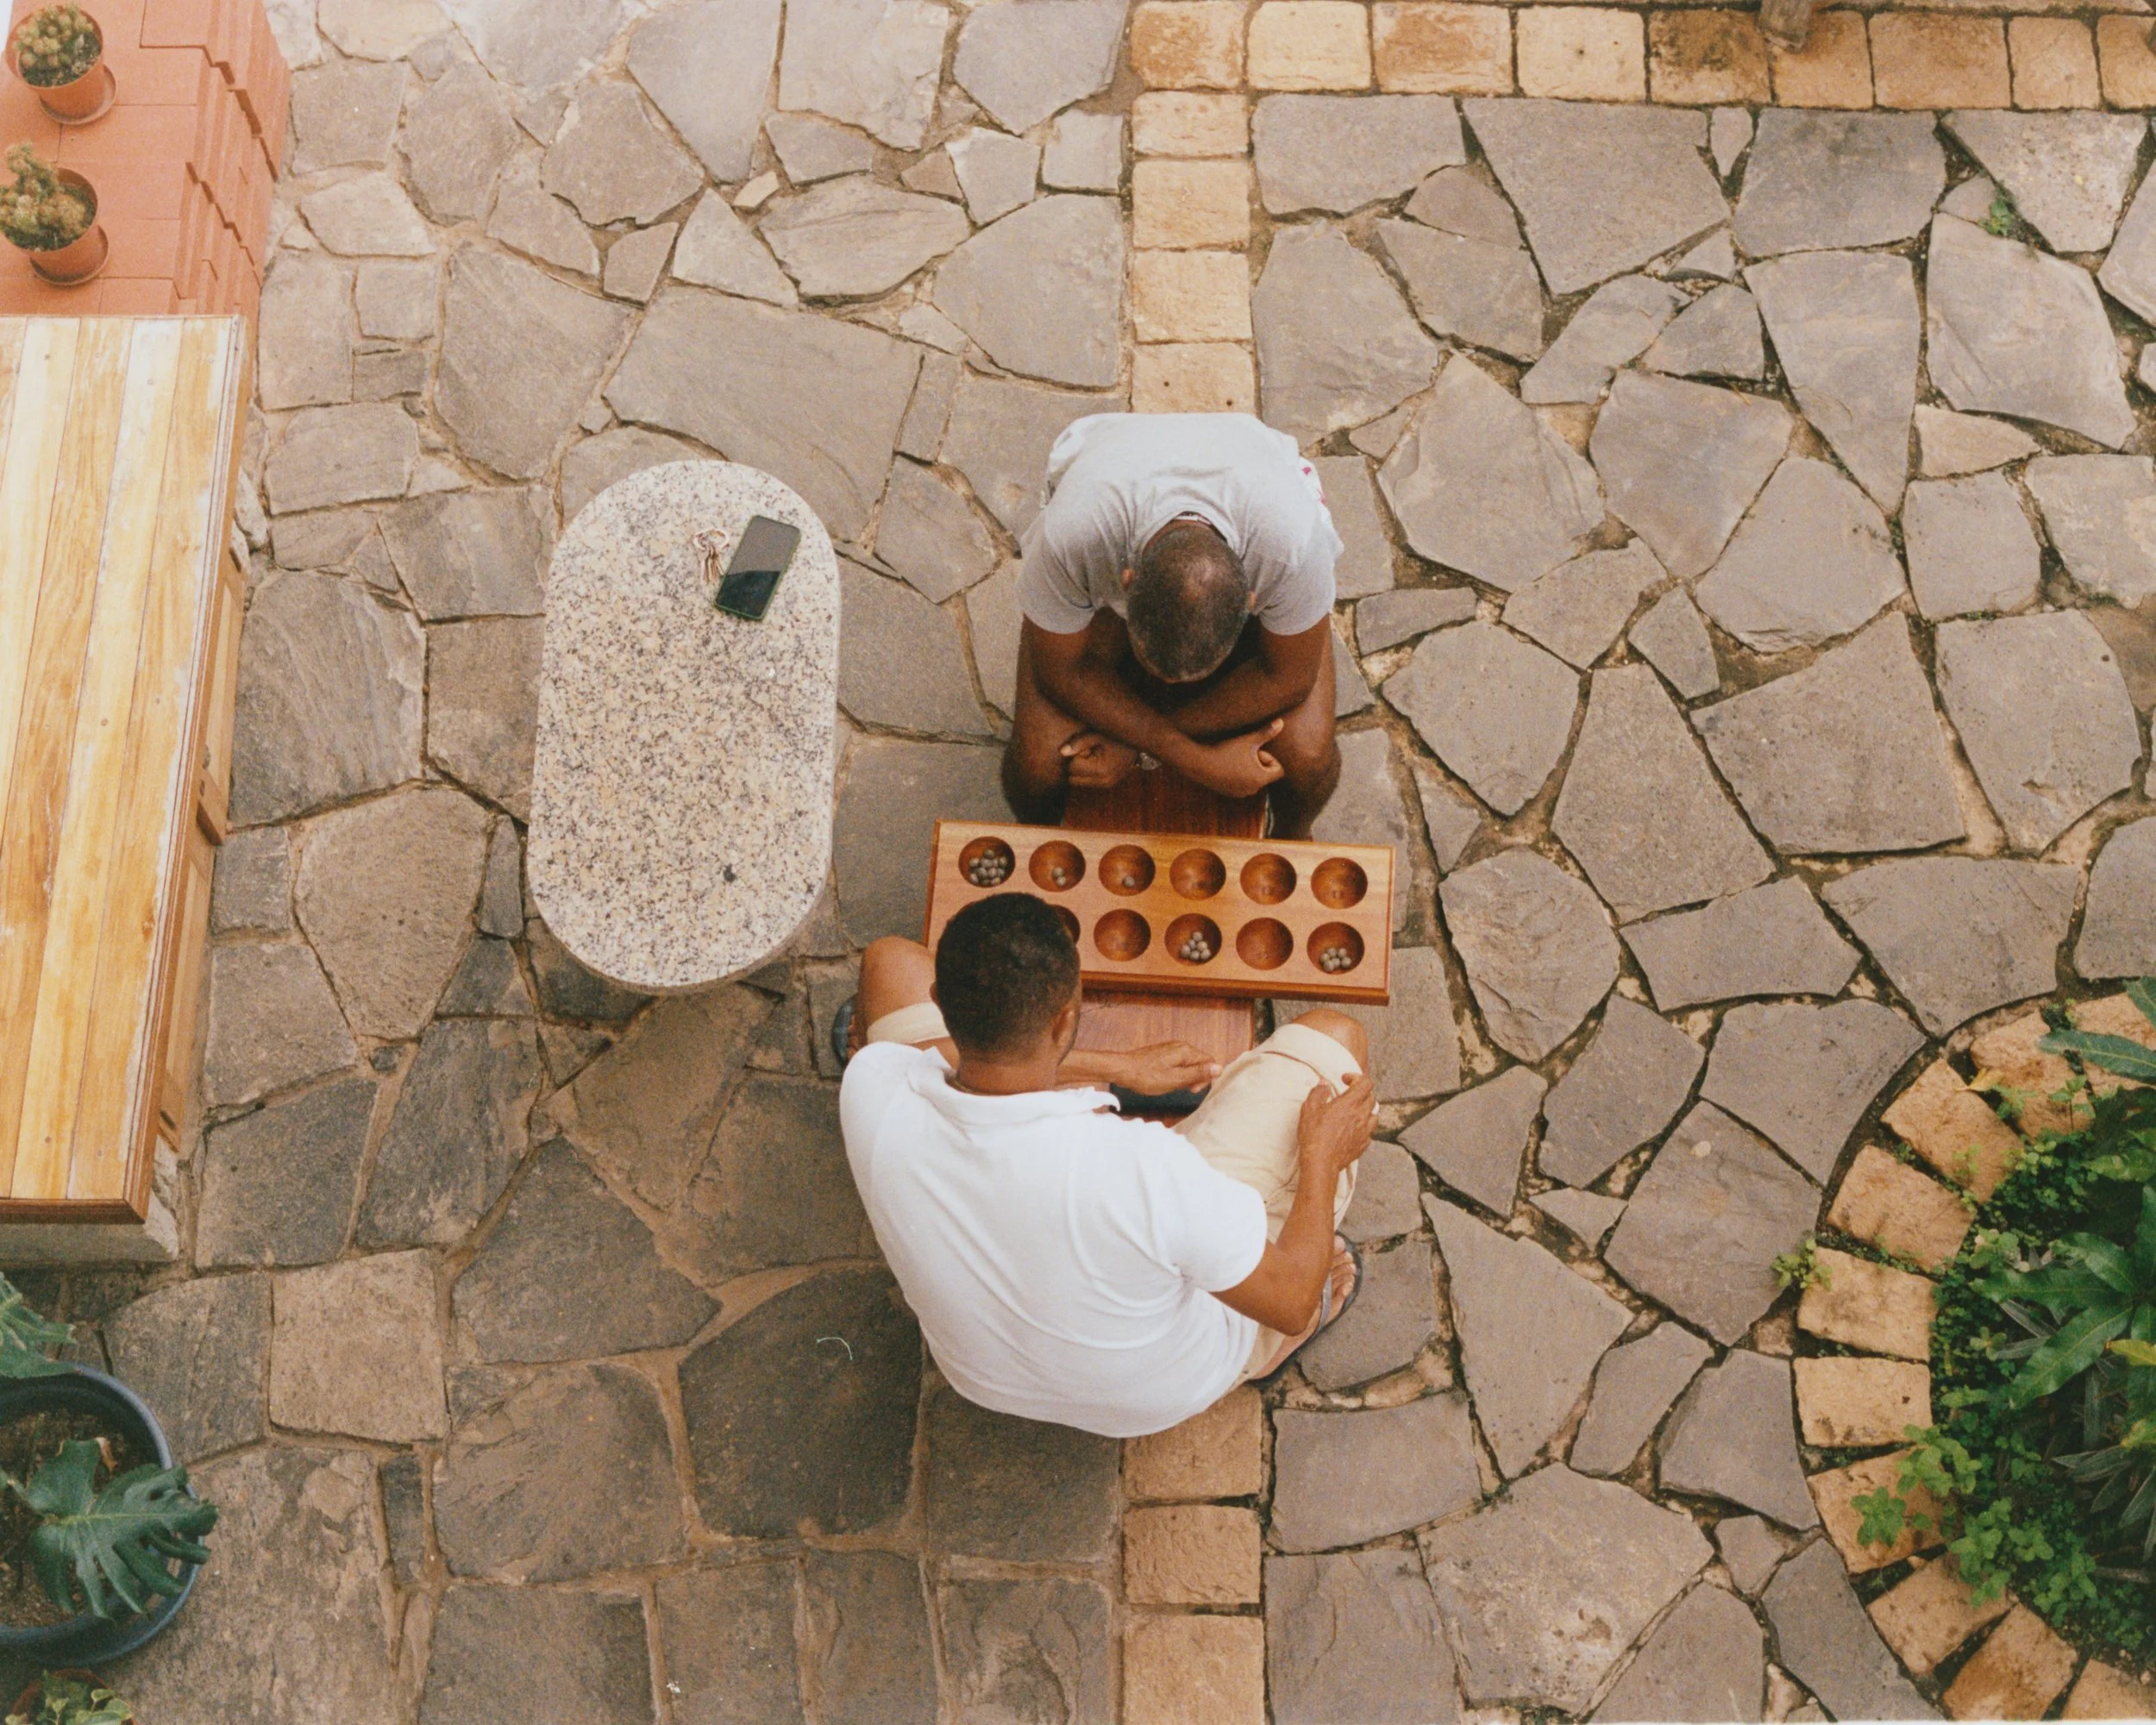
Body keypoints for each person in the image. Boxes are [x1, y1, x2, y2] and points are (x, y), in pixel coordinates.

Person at [838, 893, 1374, 1439]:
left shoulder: (871, 1083)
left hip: (981, 1377)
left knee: (888, 962)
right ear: (1066, 1018)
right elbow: (1288, 1300)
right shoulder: (1141, 1169)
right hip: (1153, 1393)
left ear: (940, 1001)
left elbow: (927, 1050)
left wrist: (1121, 1069)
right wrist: (1322, 1158)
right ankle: (1259, 1359)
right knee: (1334, 1037)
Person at [1005, 412, 1345, 838]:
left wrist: (1137, 745)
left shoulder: (1292, 547)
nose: (1166, 689)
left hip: (1259, 498)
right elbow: (1059, 669)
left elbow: (1290, 677)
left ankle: (1290, 839)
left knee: (1309, 757)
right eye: (1150, 665)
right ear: (1125, 583)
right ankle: (1040, 842)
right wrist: (1197, 760)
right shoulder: (1075, 534)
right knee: (1036, 764)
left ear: (1250, 603)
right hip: (1112, 483)